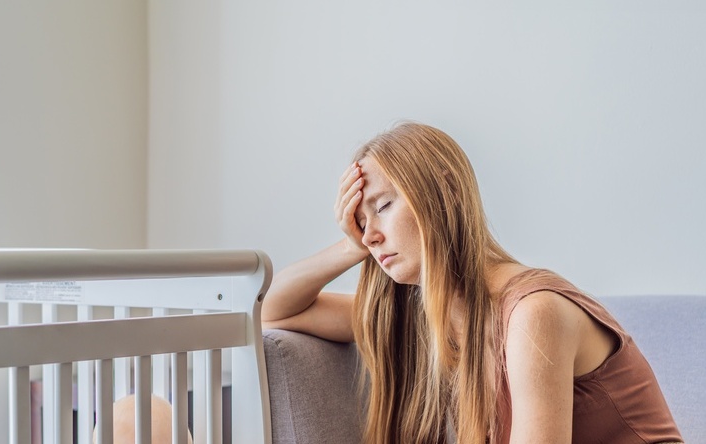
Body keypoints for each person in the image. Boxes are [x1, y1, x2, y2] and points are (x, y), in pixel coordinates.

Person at [260, 122, 683, 443]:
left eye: (383, 206)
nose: (371, 234)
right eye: (360, 221)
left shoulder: (533, 313)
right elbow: (270, 310)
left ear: (447, 192)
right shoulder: (421, 316)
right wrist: (352, 246)